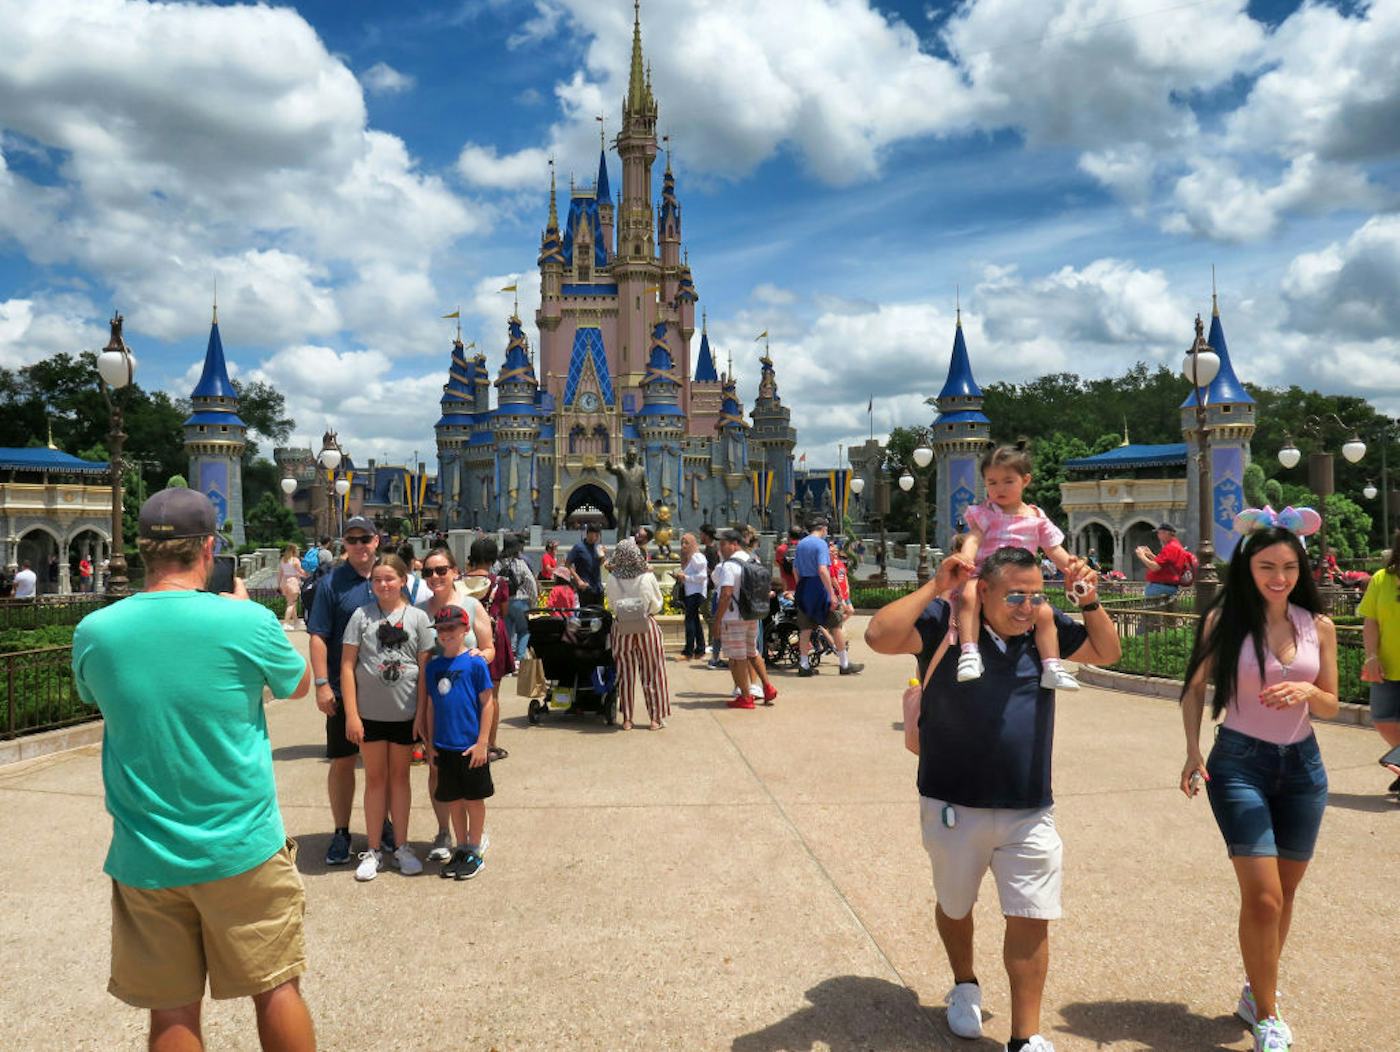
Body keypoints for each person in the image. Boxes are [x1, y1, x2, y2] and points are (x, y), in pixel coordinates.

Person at [72, 487, 315, 1051]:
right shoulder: (246, 621)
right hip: (244, 847)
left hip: (147, 855)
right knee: (276, 989)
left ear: (141, 551)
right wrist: (241, 616)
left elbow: (94, 696)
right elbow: (298, 685)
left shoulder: (97, 631)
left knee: (172, 1012)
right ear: (209, 549)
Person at [865, 546, 1118, 1052]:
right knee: (956, 905)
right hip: (952, 802)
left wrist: (1089, 601)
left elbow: (1107, 651)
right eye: (1015, 596)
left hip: (1029, 806)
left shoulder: (1044, 635)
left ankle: (1025, 1036)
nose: (1027, 607)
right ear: (984, 591)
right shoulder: (946, 623)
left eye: (1035, 596)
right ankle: (964, 983)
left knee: (1032, 913)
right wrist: (937, 587)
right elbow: (878, 635)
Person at [1178, 508, 1337, 1052]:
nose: (1279, 577)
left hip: (1304, 768)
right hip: (1239, 763)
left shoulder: (1318, 626)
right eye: (1268, 565)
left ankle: (1255, 989)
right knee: (1264, 897)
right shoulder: (1224, 622)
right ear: (1247, 566)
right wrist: (1193, 749)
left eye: (1290, 567)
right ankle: (1268, 1014)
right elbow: (1196, 686)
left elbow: (1334, 703)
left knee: (1285, 893)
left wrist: (1310, 693)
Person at [955, 442, 1080, 691]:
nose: (999, 488)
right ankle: (969, 653)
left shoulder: (1036, 517)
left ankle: (1051, 665)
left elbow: (1053, 549)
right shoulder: (985, 513)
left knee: (1044, 613)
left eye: (1007, 481)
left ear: (1025, 480)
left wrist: (1072, 568)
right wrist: (967, 558)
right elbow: (974, 537)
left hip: (1022, 581)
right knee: (968, 595)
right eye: (992, 482)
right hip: (987, 574)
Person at [340, 554, 435, 882]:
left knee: (401, 779)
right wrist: (351, 715)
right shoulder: (360, 616)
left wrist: (421, 714)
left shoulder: (418, 618)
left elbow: (425, 670)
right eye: (377, 580)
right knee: (375, 780)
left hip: (405, 714)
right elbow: (347, 666)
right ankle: (374, 848)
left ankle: (403, 846)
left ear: (403, 580)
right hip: (370, 715)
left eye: (390, 579)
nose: (383, 585)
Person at [308, 515, 383, 866]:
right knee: (342, 761)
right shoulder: (331, 583)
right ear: (345, 546)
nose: (359, 546)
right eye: (352, 540)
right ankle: (341, 831)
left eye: (364, 539)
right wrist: (322, 685)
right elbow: (319, 636)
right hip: (342, 688)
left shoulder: (390, 578)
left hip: (386, 690)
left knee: (380, 765)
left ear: (376, 541)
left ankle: (381, 826)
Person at [416, 546, 494, 861]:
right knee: (438, 772)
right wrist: (421, 713)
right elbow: (421, 664)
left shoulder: (472, 606)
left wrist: (479, 656)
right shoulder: (420, 611)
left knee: (471, 777)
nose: (435, 577)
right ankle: (445, 832)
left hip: (471, 702)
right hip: (438, 701)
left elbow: (489, 649)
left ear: (454, 571)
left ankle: (471, 841)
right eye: (428, 572)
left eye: (441, 570)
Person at [604, 538, 670, 730]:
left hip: (622, 627)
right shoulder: (647, 577)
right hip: (646, 626)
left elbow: (611, 602)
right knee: (653, 672)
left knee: (625, 674)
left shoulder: (612, 578)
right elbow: (657, 604)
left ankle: (627, 719)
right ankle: (655, 718)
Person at [461, 536, 515, 761]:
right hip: (492, 638)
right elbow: (503, 611)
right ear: (493, 558)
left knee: (467, 691)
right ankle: (490, 743)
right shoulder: (499, 582)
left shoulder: (459, 580)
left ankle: (467, 738)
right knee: (491, 694)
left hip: (465, 635)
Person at [713, 528, 778, 710]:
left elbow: (726, 594)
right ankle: (767, 686)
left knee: (738, 656)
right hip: (752, 615)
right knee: (752, 652)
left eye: (723, 545)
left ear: (734, 544)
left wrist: (717, 620)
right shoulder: (753, 560)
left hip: (733, 617)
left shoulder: (729, 566)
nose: (721, 549)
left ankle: (746, 697)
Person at [793, 517, 862, 677]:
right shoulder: (821, 544)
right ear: (822, 528)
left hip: (804, 586)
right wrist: (831, 593)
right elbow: (823, 570)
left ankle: (804, 665)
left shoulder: (801, 544)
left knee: (805, 628)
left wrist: (801, 588)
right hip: (820, 587)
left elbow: (795, 569)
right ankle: (844, 664)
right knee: (835, 624)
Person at [1359, 529, 1400, 794]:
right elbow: (1370, 622)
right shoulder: (1382, 579)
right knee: (1382, 717)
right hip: (1386, 667)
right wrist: (1371, 656)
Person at [496, 533, 539, 662]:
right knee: (524, 630)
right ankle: (519, 659)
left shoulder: (498, 564)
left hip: (504, 602)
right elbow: (530, 582)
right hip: (520, 600)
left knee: (507, 632)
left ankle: (506, 659)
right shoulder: (520, 563)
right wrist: (533, 602)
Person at [1136, 522, 1191, 598]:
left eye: (1159, 533)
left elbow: (1155, 567)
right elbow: (1165, 565)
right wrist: (1151, 555)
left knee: (1151, 609)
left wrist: (1141, 556)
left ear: (1166, 533)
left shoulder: (1170, 548)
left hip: (1160, 587)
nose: (1158, 535)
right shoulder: (1176, 546)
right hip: (1167, 586)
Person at [679, 532, 709, 660]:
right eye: (682, 543)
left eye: (686, 543)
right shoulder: (689, 557)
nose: (683, 546)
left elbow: (702, 576)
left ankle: (689, 651)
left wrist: (686, 577)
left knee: (690, 621)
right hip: (691, 592)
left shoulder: (697, 557)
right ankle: (699, 649)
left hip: (696, 593)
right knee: (695, 621)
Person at [700, 523, 725, 669]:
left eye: (702, 533)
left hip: (711, 586)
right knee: (707, 613)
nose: (700, 536)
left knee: (709, 614)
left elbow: (713, 569)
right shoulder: (710, 549)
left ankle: (712, 642)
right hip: (709, 585)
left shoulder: (712, 550)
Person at [567, 523, 605, 607]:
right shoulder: (579, 547)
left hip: (598, 587)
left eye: (597, 536)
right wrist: (578, 580)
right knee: (586, 616)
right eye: (593, 536)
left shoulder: (597, 547)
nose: (595, 538)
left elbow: (598, 564)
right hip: (585, 587)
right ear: (588, 534)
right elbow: (568, 564)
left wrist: (603, 557)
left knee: (601, 615)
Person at [277, 545, 306, 629]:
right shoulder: (295, 560)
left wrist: (278, 585)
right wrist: (306, 574)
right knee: (291, 603)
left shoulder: (283, 560)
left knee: (291, 603)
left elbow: (280, 573)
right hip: (293, 582)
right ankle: (286, 623)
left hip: (284, 582)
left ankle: (296, 621)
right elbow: (300, 571)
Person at [775, 527, 801, 597]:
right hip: (803, 586)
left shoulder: (781, 549)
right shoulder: (805, 547)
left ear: (788, 535)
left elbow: (777, 564)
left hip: (787, 588)